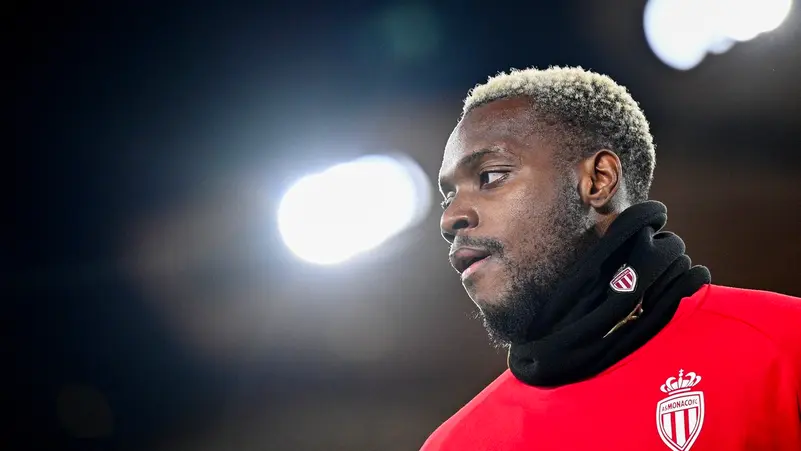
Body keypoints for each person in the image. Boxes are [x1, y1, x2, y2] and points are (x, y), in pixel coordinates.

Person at [421, 66, 801, 451]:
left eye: (490, 176)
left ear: (598, 180)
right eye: (448, 197)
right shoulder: (454, 445)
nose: (450, 219)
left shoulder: (786, 345)